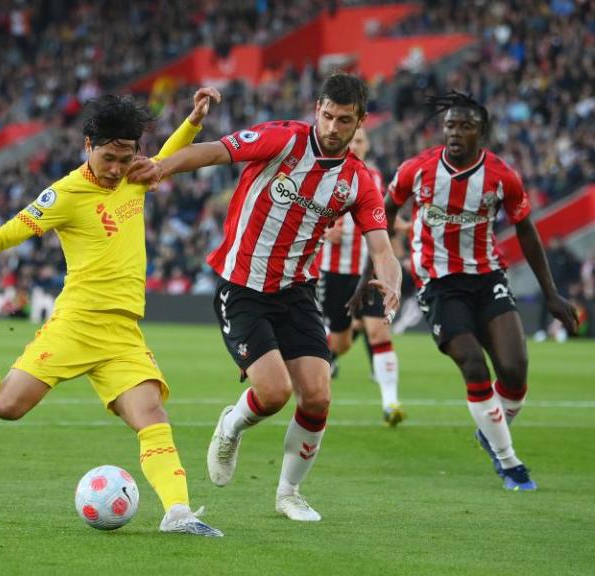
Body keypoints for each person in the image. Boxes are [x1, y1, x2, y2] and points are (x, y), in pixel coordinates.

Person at [0, 88, 225, 537]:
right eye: (109, 157)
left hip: (123, 332)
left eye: (126, 157)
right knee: (6, 405)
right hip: (77, 324)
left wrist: (194, 120)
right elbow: (6, 234)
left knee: (152, 415)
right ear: (88, 146)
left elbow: (168, 156)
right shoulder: (64, 194)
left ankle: (178, 514)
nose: (117, 168)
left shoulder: (135, 177)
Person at [128, 72, 402, 521]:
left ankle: (288, 493)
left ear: (360, 122)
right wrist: (162, 165)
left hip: (296, 291)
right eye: (328, 116)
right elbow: (213, 152)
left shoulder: (358, 181)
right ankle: (231, 426)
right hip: (242, 286)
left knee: (317, 396)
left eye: (344, 120)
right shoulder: (283, 140)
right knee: (274, 393)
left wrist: (391, 281)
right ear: (317, 109)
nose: (333, 128)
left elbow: (381, 248)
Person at [367, 91, 579, 490]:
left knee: (514, 372)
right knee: (474, 365)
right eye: (450, 125)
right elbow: (385, 208)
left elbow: (527, 231)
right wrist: (377, 263)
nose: (455, 133)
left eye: (465, 126)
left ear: (482, 132)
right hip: (438, 283)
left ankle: (490, 429)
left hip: (487, 277)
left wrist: (551, 293)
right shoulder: (418, 169)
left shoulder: (502, 176)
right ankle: (509, 461)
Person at [318, 128, 404, 426]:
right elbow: (307, 214)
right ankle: (313, 359)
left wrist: (403, 228)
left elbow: (383, 215)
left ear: (367, 146)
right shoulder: (324, 171)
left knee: (379, 332)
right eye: (352, 140)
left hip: (368, 270)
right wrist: (325, 232)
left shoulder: (376, 177)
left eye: (360, 141)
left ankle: (391, 403)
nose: (355, 145)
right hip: (334, 272)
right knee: (341, 343)